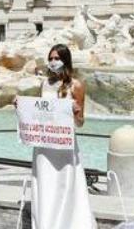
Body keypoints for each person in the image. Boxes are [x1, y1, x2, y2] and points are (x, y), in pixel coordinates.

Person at [28, 44, 96, 229]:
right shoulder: (44, 84)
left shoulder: (76, 85)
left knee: (65, 184)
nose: (53, 62)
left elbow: (80, 123)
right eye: (50, 58)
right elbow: (38, 112)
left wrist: (76, 112)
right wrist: (21, 107)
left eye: (57, 58)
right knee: (45, 184)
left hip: (64, 144)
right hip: (44, 144)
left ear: (65, 60)